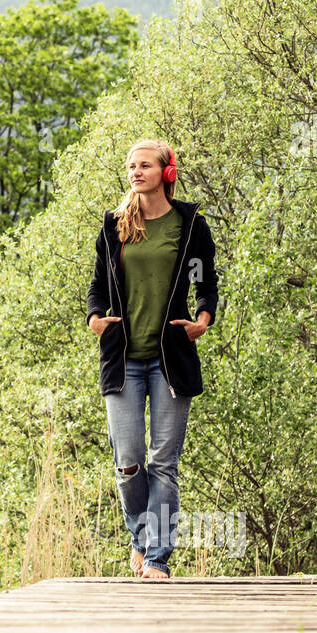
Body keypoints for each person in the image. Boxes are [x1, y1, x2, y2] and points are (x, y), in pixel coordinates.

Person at [84, 139, 219, 580]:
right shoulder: (114, 226)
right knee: (128, 461)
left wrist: (203, 319)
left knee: (164, 462)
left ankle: (156, 558)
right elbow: (98, 285)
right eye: (130, 166)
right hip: (122, 359)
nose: (134, 172)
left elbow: (204, 277)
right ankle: (139, 540)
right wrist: (95, 318)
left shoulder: (189, 223)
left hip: (170, 359)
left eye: (144, 165)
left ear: (167, 172)